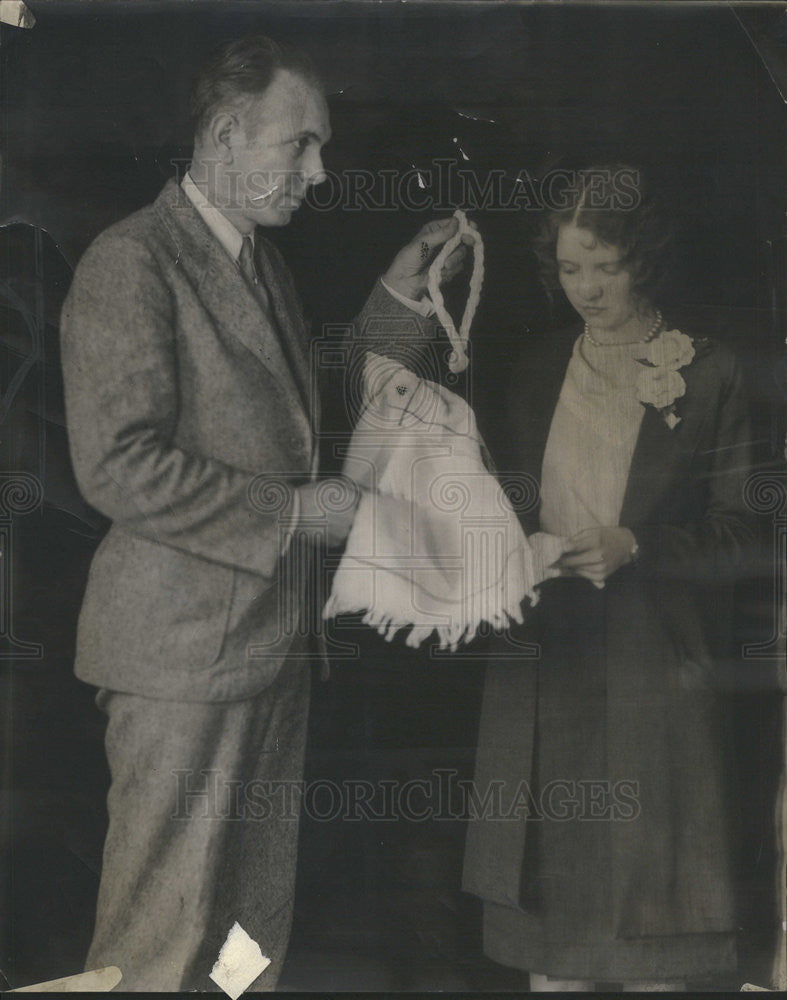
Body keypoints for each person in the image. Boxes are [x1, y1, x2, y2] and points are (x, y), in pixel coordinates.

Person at [60, 34, 469, 992]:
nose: (318, 173)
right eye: (301, 146)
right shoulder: (131, 262)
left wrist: (402, 296)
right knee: (155, 947)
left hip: (269, 654)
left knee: (247, 945)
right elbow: (115, 465)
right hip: (180, 663)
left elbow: (293, 419)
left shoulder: (257, 263)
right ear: (226, 133)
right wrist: (291, 516)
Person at [462, 165, 754, 991]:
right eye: (568, 268)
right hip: (544, 675)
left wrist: (639, 544)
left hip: (652, 681)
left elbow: (746, 536)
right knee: (552, 957)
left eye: (605, 266)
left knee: (652, 949)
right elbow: (492, 513)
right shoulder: (532, 369)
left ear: (644, 261)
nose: (585, 287)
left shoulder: (710, 372)